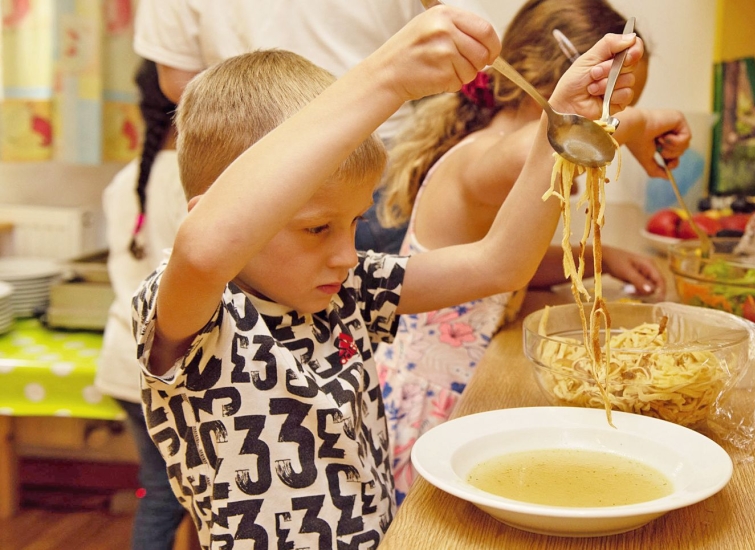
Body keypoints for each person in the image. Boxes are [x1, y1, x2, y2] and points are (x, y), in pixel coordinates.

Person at [131, 6, 644, 546]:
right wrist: (386, 78)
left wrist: (557, 124)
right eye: (316, 228)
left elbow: (500, 263)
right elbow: (205, 250)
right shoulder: (200, 314)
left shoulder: (346, 290)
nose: (346, 254)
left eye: (354, 223)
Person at [376, 0, 689, 504]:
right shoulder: (484, 158)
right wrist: (641, 123)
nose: (617, 119)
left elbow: (499, 276)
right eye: (614, 103)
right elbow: (549, 142)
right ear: (559, 80)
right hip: (434, 407)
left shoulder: (496, 147)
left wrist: (598, 257)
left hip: (467, 384)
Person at [131, 0, 488, 253]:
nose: (346, 258)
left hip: (252, 166)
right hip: (378, 157)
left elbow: (178, 78)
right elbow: (470, 38)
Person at [95, 59, 187, 550]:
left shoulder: (127, 179)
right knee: (169, 495)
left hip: (121, 359)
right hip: (163, 366)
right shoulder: (196, 181)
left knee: (160, 490)